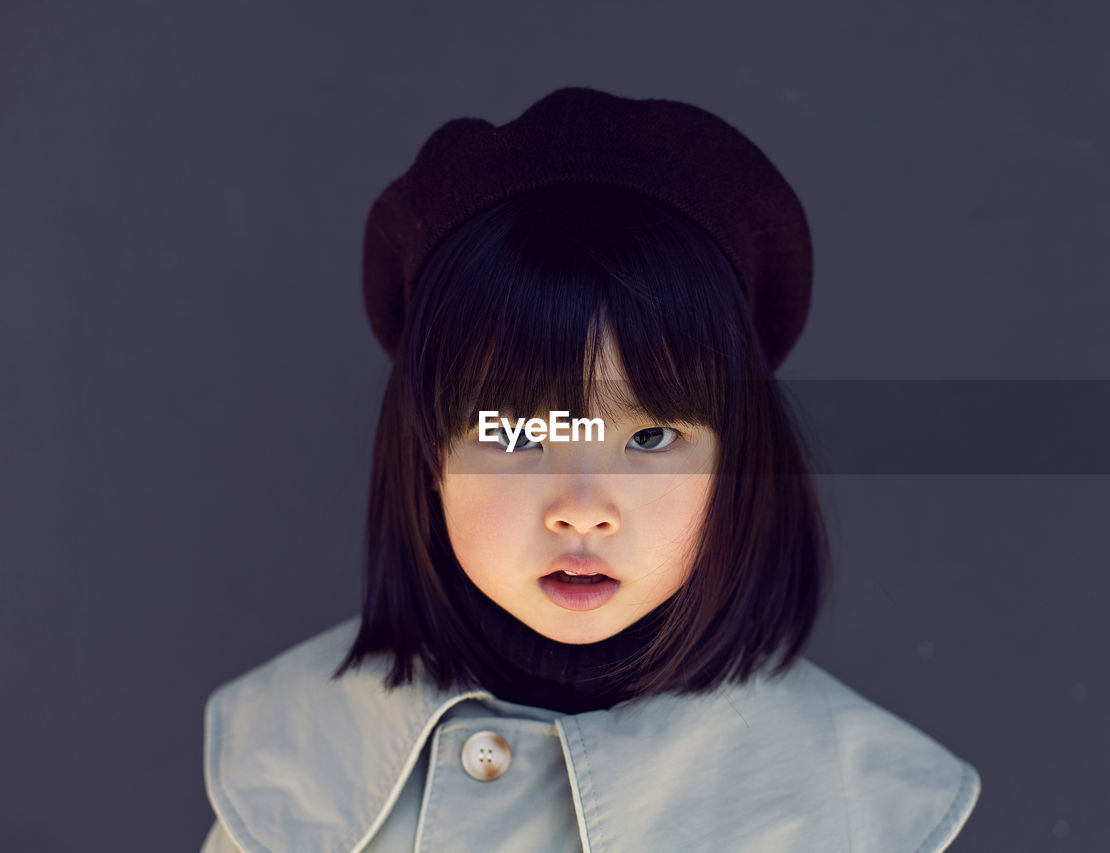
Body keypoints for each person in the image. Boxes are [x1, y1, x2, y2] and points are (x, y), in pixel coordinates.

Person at [198, 87, 981, 853]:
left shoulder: (861, 814)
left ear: (736, 465)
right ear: (430, 452)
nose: (581, 509)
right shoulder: (291, 768)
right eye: (517, 432)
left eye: (650, 439)